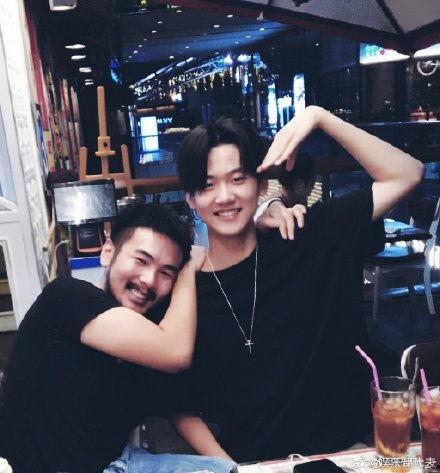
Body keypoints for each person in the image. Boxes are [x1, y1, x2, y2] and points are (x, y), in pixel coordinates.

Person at [173, 106, 424, 463]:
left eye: (238, 179)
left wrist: (320, 118)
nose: (225, 196)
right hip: (250, 464)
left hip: (343, 454)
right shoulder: (188, 290)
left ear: (261, 186)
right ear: (191, 199)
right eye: (208, 185)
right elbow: (179, 403)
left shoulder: (309, 237)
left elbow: (407, 173)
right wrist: (232, 469)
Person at [0, 203, 236, 473]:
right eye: (141, 260)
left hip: (122, 462)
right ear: (108, 252)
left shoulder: (148, 336)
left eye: (165, 272)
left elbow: (179, 408)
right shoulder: (67, 297)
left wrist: (232, 467)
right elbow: (176, 352)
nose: (149, 280)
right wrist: (187, 271)